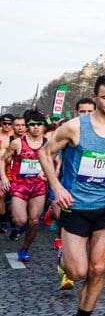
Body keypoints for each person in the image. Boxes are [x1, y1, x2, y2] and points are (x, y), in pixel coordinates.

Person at [37, 76, 105, 316]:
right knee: (77, 271)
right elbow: (45, 153)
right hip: (75, 206)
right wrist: (56, 187)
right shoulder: (75, 127)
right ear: (95, 96)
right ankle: (64, 256)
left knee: (98, 268)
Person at [1, 110, 50, 262]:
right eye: (32, 125)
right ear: (28, 126)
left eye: (38, 124)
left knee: (34, 221)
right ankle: (18, 225)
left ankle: (24, 249)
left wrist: (47, 173)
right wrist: (4, 178)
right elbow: (3, 160)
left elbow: (53, 161)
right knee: (21, 220)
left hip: (38, 186)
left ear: (43, 126)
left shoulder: (48, 143)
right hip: (20, 185)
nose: (35, 128)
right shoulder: (17, 143)